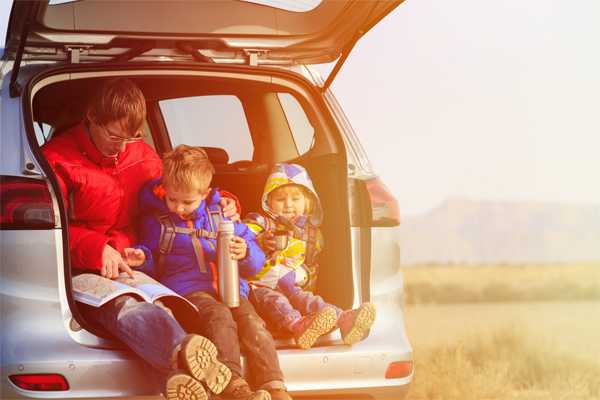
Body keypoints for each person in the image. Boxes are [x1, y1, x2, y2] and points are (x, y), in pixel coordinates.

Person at [41, 78, 240, 400]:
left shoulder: (145, 158)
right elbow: (49, 230)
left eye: (132, 137)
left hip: (132, 259)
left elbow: (180, 196)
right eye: (115, 135)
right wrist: (98, 247)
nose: (122, 148)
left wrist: (224, 202)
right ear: (92, 116)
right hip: (79, 264)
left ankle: (183, 367)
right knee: (126, 308)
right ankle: (182, 353)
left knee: (163, 310)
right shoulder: (55, 160)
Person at [123, 145, 292, 400]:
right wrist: (142, 257)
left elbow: (255, 265)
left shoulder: (223, 216)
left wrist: (245, 252)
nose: (178, 207)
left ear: (204, 194)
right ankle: (232, 384)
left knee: (254, 324)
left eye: (187, 201)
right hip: (188, 292)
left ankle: (274, 386)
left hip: (233, 289)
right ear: (163, 189)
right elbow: (153, 260)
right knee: (219, 315)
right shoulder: (156, 222)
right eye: (172, 199)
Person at [243, 163, 377, 350]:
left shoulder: (311, 234)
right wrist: (260, 241)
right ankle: (298, 326)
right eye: (280, 199)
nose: (288, 204)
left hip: (291, 286)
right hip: (259, 287)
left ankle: (343, 320)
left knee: (310, 300)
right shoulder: (260, 221)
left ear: (308, 202)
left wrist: (309, 285)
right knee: (277, 302)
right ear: (269, 201)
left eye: (295, 199)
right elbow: (243, 239)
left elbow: (311, 265)